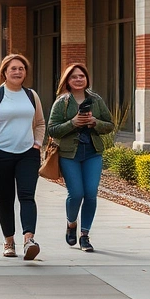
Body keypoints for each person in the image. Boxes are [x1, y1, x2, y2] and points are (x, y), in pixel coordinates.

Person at [0, 54, 46, 261]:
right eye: (13, 68)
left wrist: (37, 144)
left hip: (27, 154)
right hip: (0, 153)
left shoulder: (31, 95)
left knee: (27, 196)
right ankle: (9, 241)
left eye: (21, 68)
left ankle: (29, 240)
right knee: (6, 199)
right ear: (4, 72)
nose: (17, 72)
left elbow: (41, 122)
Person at [47, 63, 114, 253]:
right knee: (76, 194)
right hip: (70, 154)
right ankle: (71, 224)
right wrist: (72, 123)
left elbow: (109, 125)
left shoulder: (96, 100)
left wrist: (95, 122)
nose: (78, 79)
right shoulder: (62, 102)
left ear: (87, 79)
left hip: (92, 152)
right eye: (74, 77)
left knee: (91, 194)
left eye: (81, 76)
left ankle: (85, 235)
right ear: (67, 81)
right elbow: (52, 129)